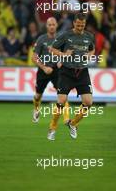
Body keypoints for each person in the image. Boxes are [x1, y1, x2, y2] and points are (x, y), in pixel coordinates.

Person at [47, 13, 95, 141]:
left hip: (82, 71)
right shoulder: (65, 35)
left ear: (85, 24)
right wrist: (63, 54)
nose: (80, 27)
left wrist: (89, 55)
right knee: (61, 102)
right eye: (78, 25)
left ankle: (73, 124)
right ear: (74, 23)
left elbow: (92, 49)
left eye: (82, 25)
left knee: (88, 102)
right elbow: (52, 49)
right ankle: (52, 128)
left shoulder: (89, 36)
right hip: (67, 71)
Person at [31, 17, 69, 123]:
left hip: (57, 70)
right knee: (38, 95)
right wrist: (44, 67)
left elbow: (67, 54)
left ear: (57, 25)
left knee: (63, 94)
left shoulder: (61, 39)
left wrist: (62, 61)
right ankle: (36, 109)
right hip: (43, 70)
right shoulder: (41, 39)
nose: (52, 26)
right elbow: (34, 57)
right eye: (49, 25)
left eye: (53, 24)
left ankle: (66, 119)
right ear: (46, 26)